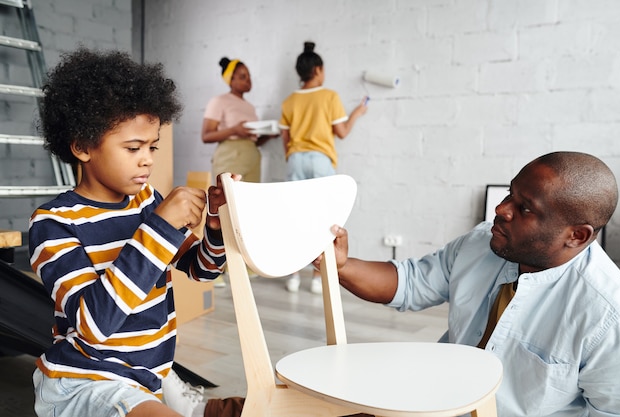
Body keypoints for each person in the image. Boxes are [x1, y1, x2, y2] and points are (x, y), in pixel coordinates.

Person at [318, 151, 620, 417]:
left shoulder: (610, 315)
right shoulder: (483, 241)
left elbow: (611, 411)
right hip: (436, 401)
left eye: (525, 209)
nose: (501, 210)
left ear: (577, 236)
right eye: (510, 194)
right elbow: (411, 282)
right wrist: (341, 265)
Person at [29, 47, 244, 417]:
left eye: (152, 146)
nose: (148, 158)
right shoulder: (53, 224)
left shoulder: (146, 201)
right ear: (82, 146)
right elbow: (93, 325)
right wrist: (159, 227)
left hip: (143, 379)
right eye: (133, 147)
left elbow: (202, 269)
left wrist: (215, 227)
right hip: (83, 382)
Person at [279, 41, 367, 294]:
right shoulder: (329, 96)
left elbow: (284, 137)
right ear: (318, 69)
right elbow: (342, 132)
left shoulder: (289, 101)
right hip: (320, 160)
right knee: (323, 219)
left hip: (295, 158)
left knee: (294, 216)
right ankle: (318, 277)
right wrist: (357, 113)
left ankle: (293, 276)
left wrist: (293, 156)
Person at [201, 57, 276, 288]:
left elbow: (251, 136)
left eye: (249, 75)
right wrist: (234, 129)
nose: (248, 80)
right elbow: (206, 135)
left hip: (251, 155)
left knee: (247, 211)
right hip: (230, 155)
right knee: (225, 209)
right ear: (230, 79)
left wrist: (266, 135)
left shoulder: (250, 107)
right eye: (242, 76)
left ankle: (242, 264)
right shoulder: (219, 101)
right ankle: (218, 268)